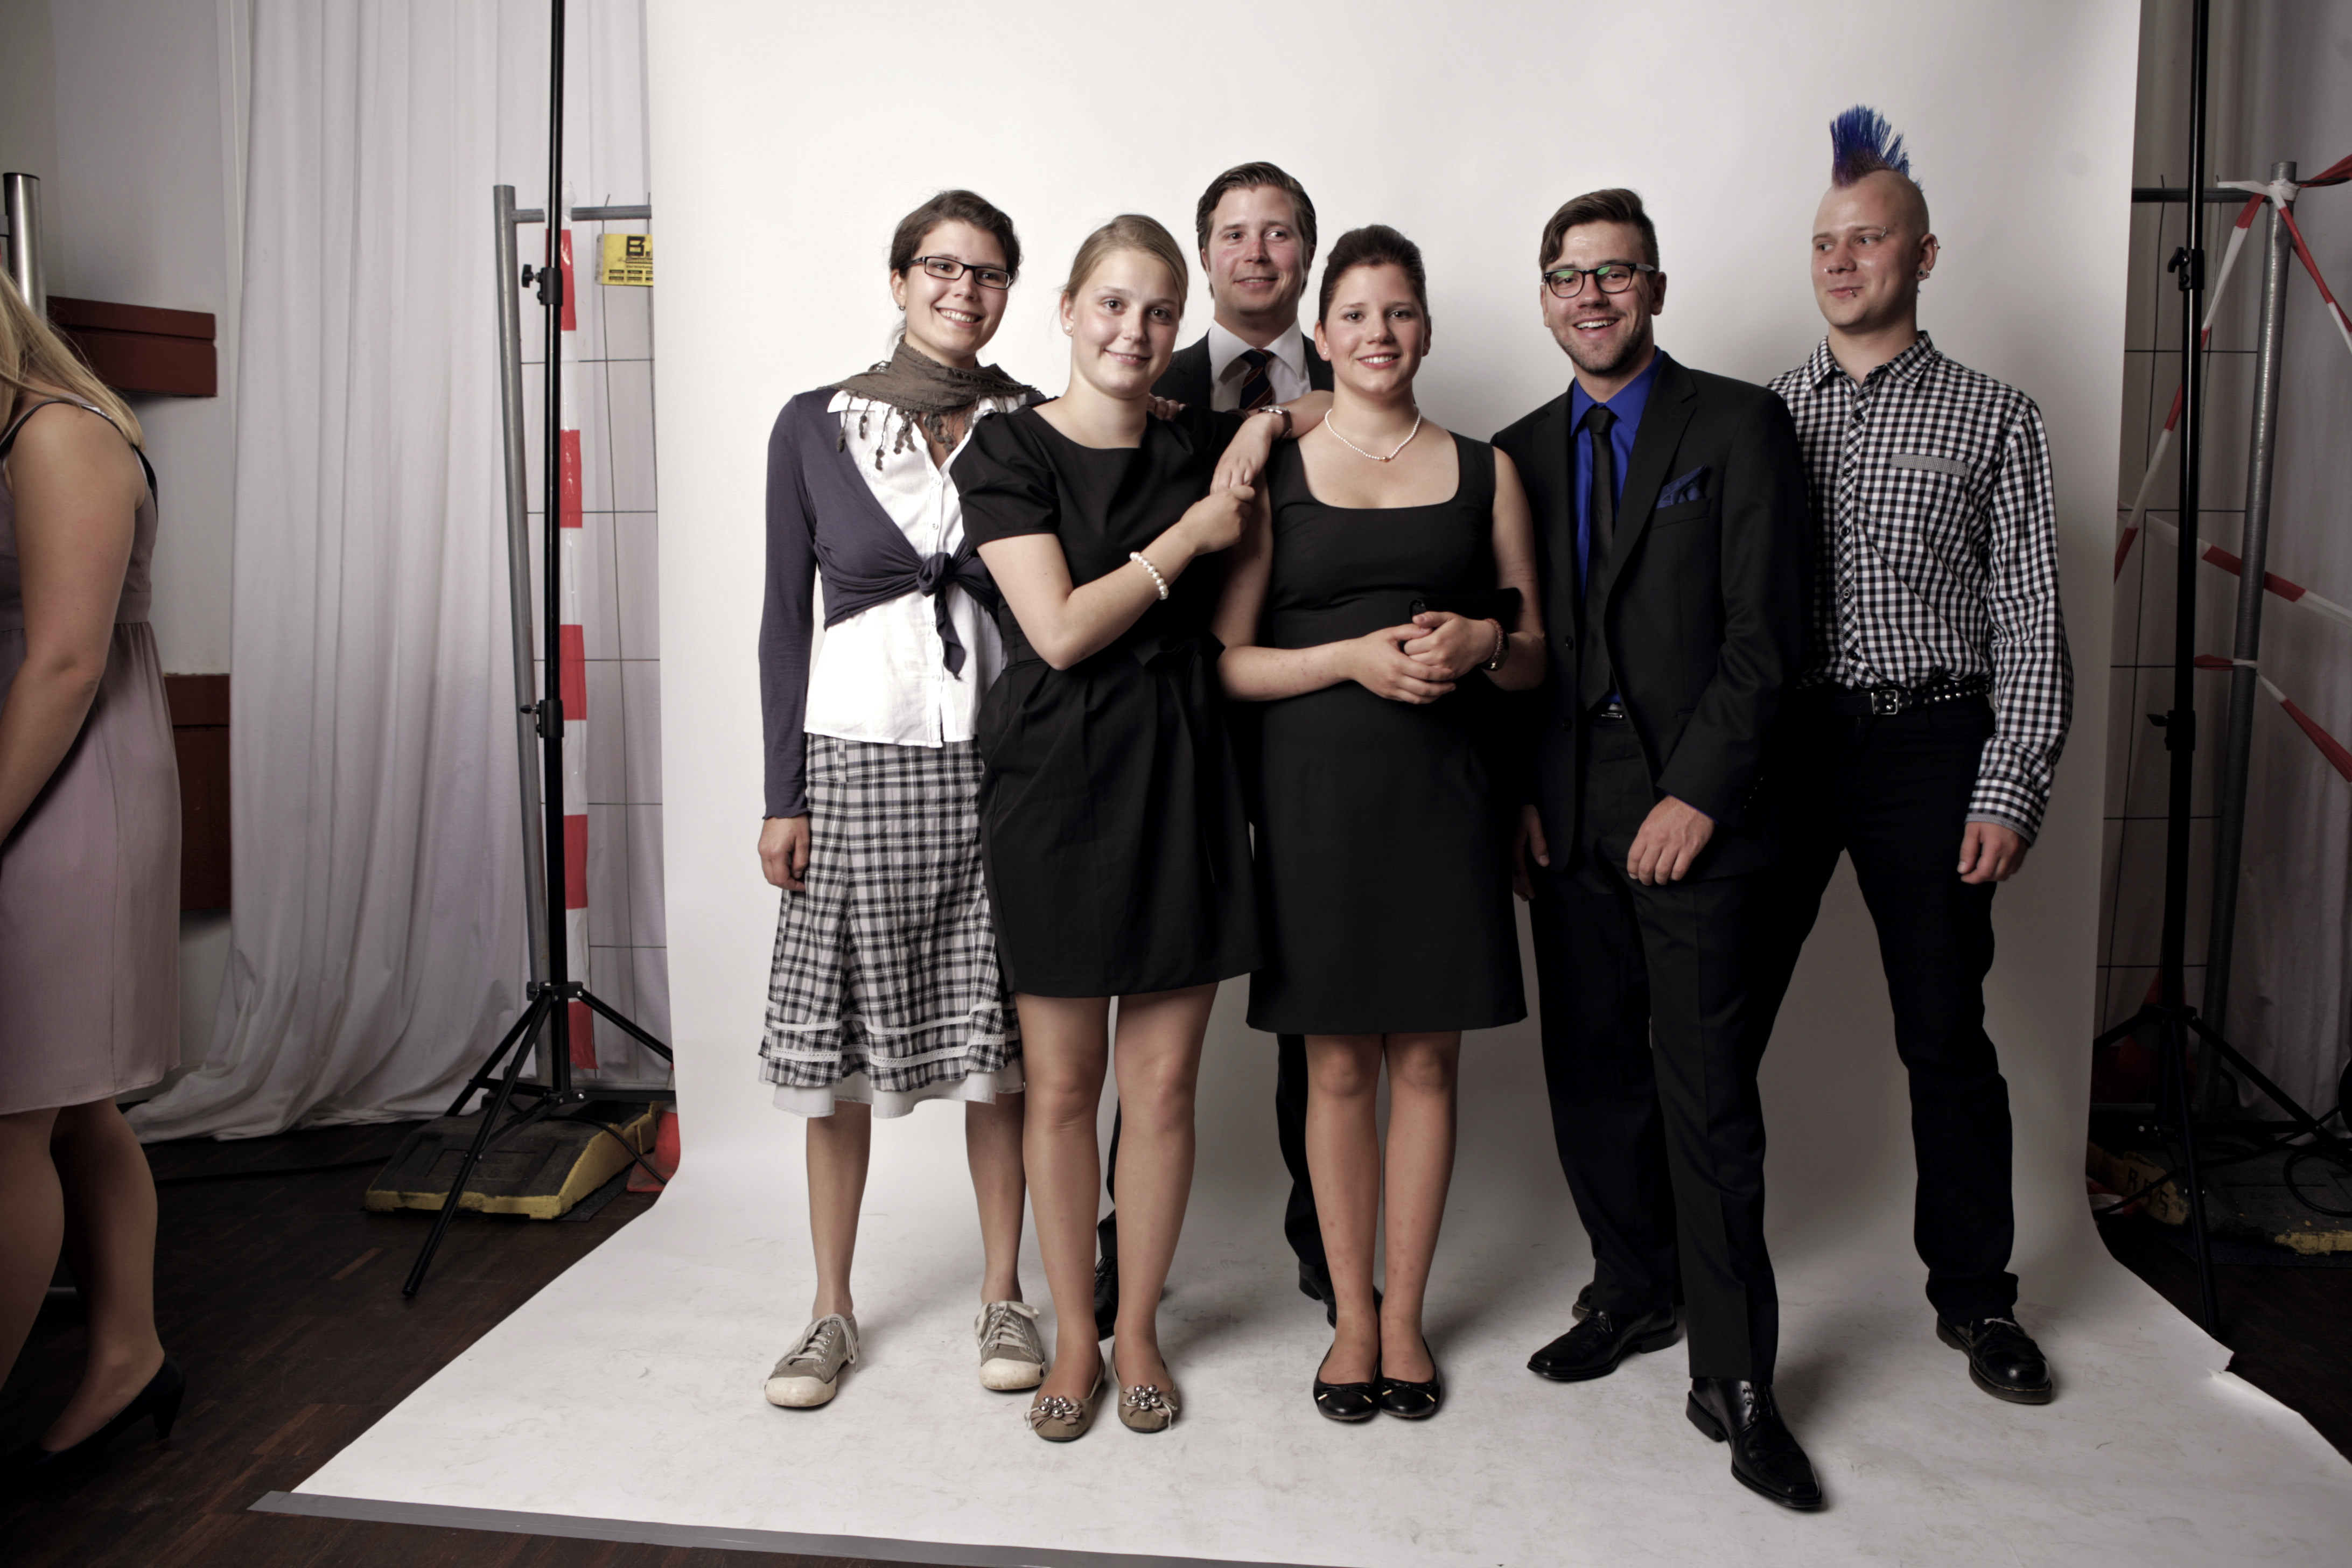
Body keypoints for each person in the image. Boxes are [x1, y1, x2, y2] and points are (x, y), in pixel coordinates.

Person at [955, 214, 1322, 1441]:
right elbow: (1060, 631)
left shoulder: (1199, 436)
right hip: (1053, 780)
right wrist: (1188, 538)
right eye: (1113, 303)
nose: (1135, 329)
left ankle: (1143, 1330)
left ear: (1180, 329)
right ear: (1066, 310)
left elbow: (1328, 406)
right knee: (1063, 1088)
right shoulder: (1005, 447)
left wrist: (1263, 425)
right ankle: (1075, 1332)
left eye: (1160, 311)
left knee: (1162, 1090)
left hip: (1183, 772)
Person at [1494, 188, 1819, 1509]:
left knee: (1705, 1096)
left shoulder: (1737, 425)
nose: (1592, 296)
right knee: (1591, 1076)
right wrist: (1526, 794)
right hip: (1567, 807)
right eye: (1569, 276)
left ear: (1657, 290)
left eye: (1616, 273)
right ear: (1545, 297)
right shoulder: (1516, 452)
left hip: (1697, 805)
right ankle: (1631, 1290)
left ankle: (1736, 1376)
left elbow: (1769, 637)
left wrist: (1698, 794)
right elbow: (1517, 645)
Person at [1756, 109, 2070, 1405]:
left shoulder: (1997, 417)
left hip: (1931, 743)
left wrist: (2010, 780)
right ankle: (1674, 1273)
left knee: (1945, 1034)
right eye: (1824, 242)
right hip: (1786, 745)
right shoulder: (1764, 414)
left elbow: (2031, 616)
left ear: (1923, 255)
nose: (1841, 260)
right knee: (1716, 1018)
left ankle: (1977, 1295)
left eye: (1868, 238)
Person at [1213, 226, 1543, 1423]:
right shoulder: (1279, 473)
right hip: (1316, 804)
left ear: (1428, 329)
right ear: (1321, 334)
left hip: (1445, 797)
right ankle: (1352, 1315)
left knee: (1430, 1061)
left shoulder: (1489, 470)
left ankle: (1407, 1316)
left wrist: (1486, 639)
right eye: (1354, 314)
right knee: (1339, 1064)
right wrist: (1347, 657)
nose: (1378, 334)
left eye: (1399, 311)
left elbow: (1536, 653)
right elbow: (1228, 662)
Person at [754, 190, 1044, 1412]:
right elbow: (783, 618)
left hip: (999, 763)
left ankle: (1004, 1291)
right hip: (854, 760)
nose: (963, 290)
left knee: (998, 1054)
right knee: (839, 1058)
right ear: (898, 279)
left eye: (988, 273)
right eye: (941, 267)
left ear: (1009, 292)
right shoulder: (814, 425)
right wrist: (782, 793)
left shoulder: (1033, 424)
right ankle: (830, 1307)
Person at [1090, 161, 1339, 1342]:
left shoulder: (1357, 373)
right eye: (1233, 234)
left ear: (1306, 255)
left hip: (1315, 723)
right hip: (1168, 729)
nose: (1256, 253)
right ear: (1203, 259)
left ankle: (1327, 1242)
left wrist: (1285, 418)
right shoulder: (1143, 377)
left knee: (1316, 995)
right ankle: (1120, 1250)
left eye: (1278, 233)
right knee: (1142, 1008)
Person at [0, 277, 184, 1482]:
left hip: (64, 785)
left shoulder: (60, 430)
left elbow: (66, 663)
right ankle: (128, 1355)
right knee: (70, 1102)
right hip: (33, 769)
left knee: (11, 1111)